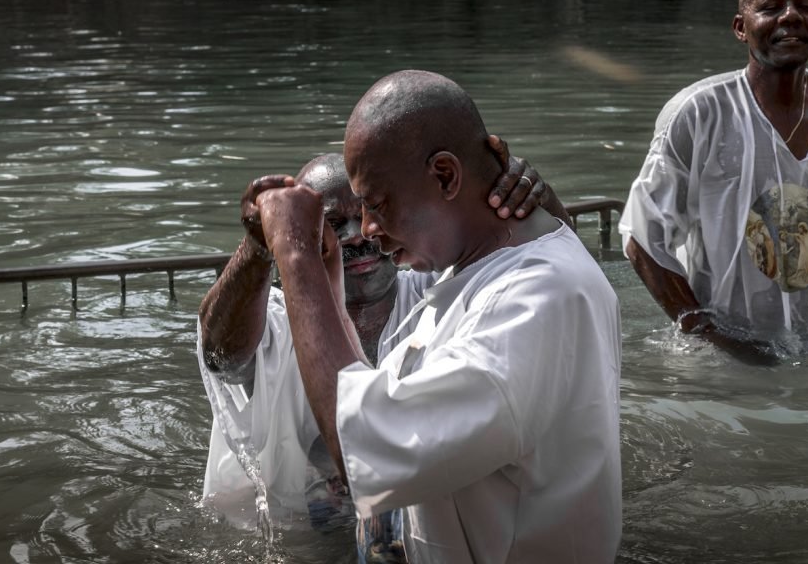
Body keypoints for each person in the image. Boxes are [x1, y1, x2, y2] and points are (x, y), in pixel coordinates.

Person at [254, 70, 623, 563]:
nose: (368, 231)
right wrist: (326, 271)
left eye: (378, 204)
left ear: (446, 176)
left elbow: (360, 443)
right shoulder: (472, 271)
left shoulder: (538, 298)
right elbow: (377, 402)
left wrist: (295, 256)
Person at [197, 140, 570, 560]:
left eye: (369, 214)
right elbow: (221, 358)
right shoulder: (276, 318)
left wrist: (536, 198)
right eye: (332, 224)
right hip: (289, 544)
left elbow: (553, 275)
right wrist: (259, 245)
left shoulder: (441, 295)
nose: (358, 237)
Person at [620, 0, 808, 362]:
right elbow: (642, 239)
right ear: (741, 28)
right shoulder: (699, 113)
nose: (792, 16)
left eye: (806, 5)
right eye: (772, 7)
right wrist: (709, 333)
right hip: (721, 354)